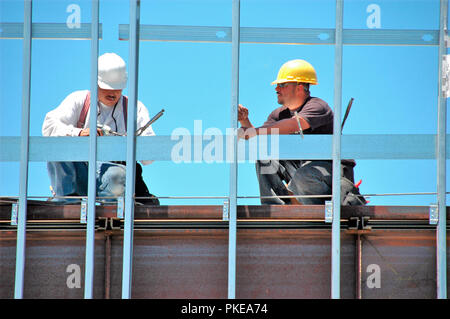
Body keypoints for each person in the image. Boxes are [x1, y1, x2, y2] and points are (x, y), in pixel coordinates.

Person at [238, 59, 365, 205]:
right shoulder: (278, 115)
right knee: (264, 154)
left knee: (304, 175)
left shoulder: (318, 106)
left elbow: (294, 124)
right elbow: (258, 138)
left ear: (299, 87)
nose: (277, 89)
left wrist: (253, 131)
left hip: (330, 174)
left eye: (282, 85)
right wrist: (244, 122)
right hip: (302, 172)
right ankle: (275, 211)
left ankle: (315, 212)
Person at [42, 52, 159, 205]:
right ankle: (69, 204)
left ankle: (113, 211)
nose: (113, 93)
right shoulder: (78, 101)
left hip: (115, 177)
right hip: (80, 172)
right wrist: (78, 133)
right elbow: (49, 127)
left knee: (118, 176)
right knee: (57, 146)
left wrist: (133, 143)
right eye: (107, 88)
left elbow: (149, 159)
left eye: (118, 88)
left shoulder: (133, 109)